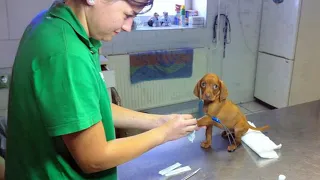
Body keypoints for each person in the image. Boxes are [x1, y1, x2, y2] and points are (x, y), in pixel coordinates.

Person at [5, 0, 199, 179]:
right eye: (127, 14)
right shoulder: (67, 54)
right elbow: (94, 158)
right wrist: (164, 134)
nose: (128, 27)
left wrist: (158, 121)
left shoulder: (52, 24)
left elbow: (91, 108)